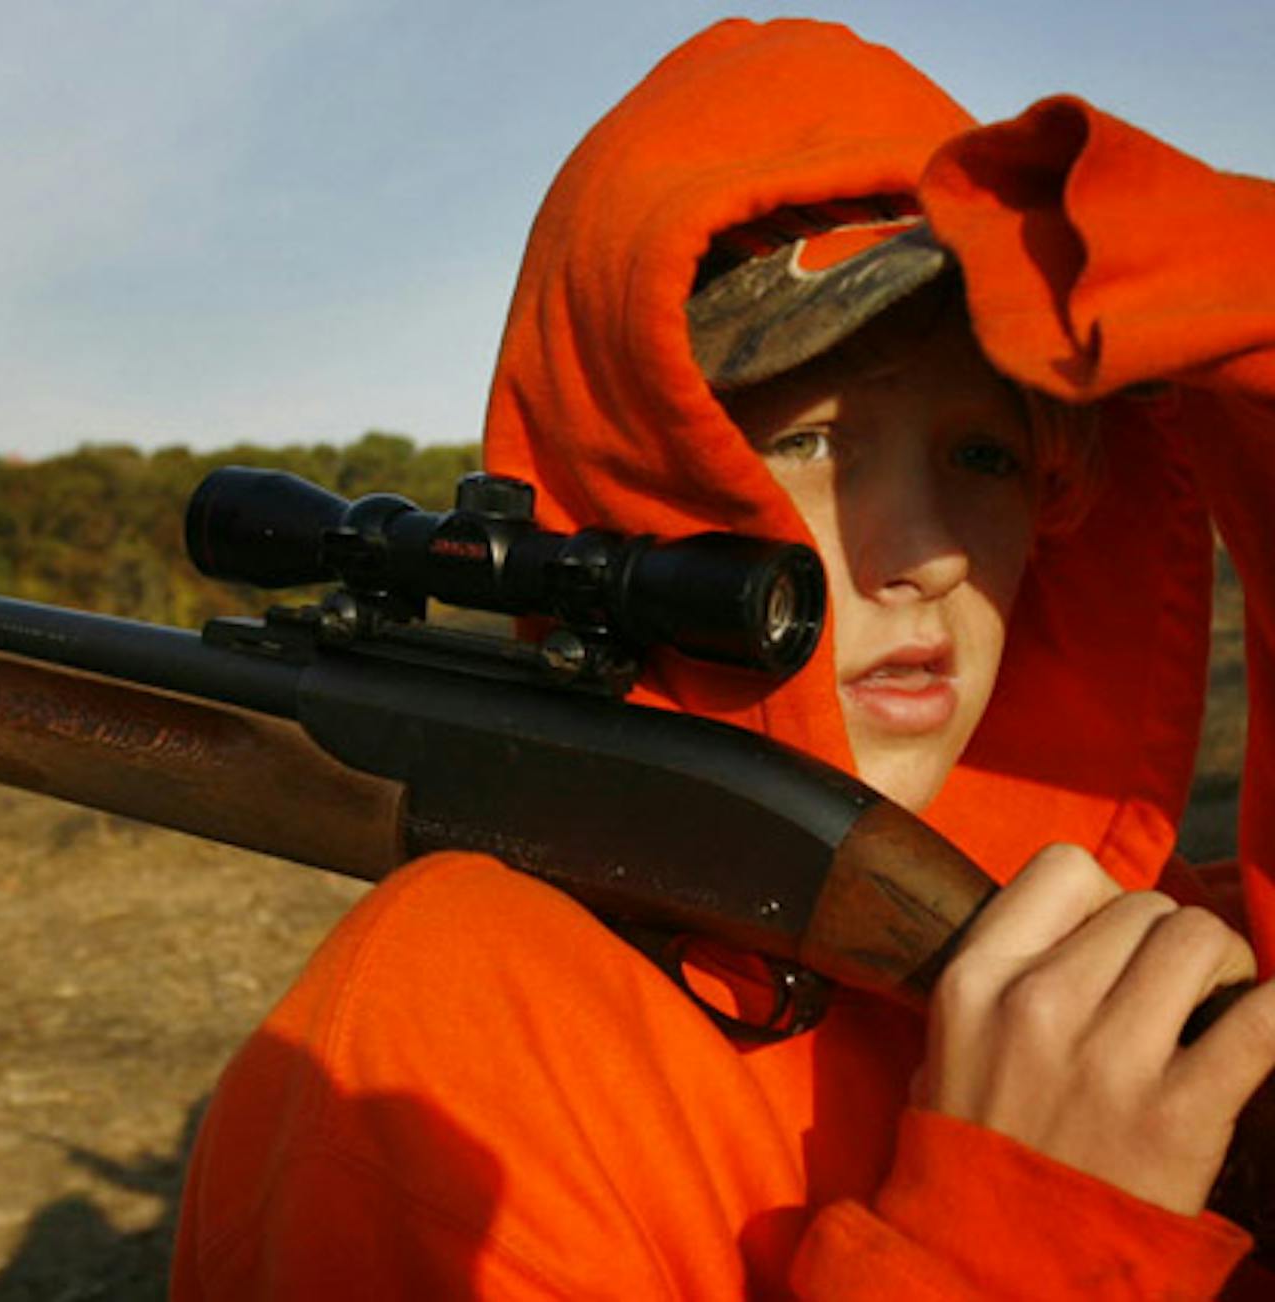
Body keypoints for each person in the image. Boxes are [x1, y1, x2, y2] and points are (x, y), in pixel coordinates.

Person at [171, 18, 1275, 1298]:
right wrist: (1019, 1242)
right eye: (803, 445)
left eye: (984, 455)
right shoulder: (440, 1053)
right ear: (636, 481)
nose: (924, 557)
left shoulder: (1135, 956)